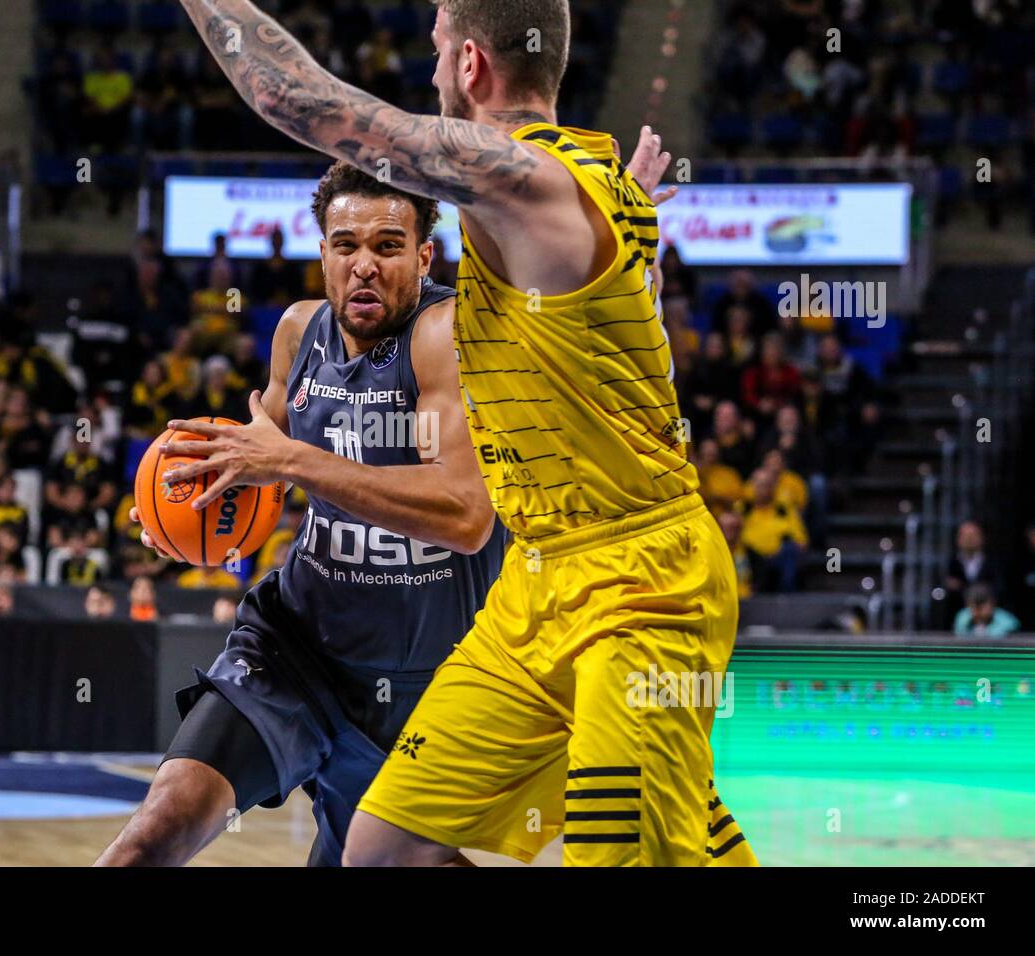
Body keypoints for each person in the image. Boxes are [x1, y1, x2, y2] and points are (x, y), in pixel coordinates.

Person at [175, 0, 755, 866]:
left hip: (640, 586)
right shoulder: (583, 187)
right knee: (383, 850)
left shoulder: (521, 179)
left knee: (623, 857)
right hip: (535, 586)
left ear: (474, 64)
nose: (433, 67)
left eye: (439, 47)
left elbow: (297, 98)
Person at [96, 163, 505, 868]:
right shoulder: (297, 333)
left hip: (418, 691)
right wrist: (187, 500)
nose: (364, 265)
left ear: (424, 256)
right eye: (345, 245)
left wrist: (291, 461)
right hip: (293, 648)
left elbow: (465, 515)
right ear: (323, 254)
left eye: (388, 245)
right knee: (156, 832)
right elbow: (261, 465)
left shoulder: (445, 337)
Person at [953, 584, 1021, 637]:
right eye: (974, 608)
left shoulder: (1008, 622)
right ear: (968, 605)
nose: (979, 612)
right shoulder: (962, 617)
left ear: (993, 603)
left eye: (982, 608)